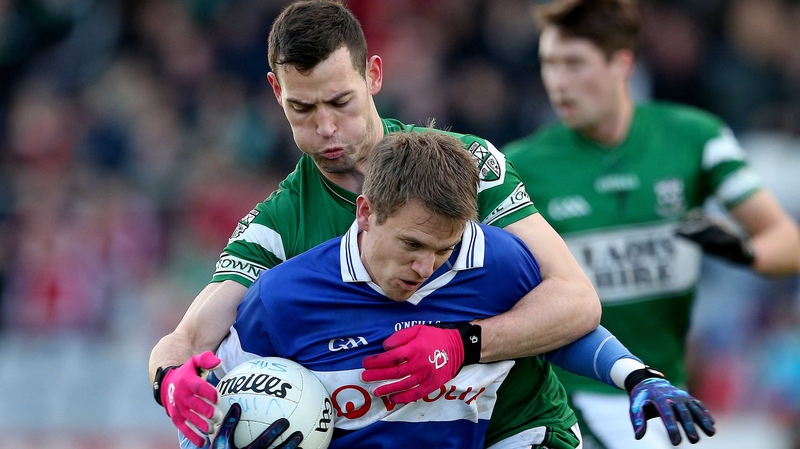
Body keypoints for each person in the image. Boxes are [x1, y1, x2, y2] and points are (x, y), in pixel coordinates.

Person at [148, 1, 602, 447]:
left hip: (518, 430)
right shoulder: (276, 228)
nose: (325, 127)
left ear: (374, 76)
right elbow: (186, 339)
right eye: (302, 108)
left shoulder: (467, 166)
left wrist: (464, 344)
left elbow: (576, 301)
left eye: (340, 101)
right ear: (276, 93)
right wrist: (170, 380)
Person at [200, 131, 713, 449]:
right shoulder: (283, 299)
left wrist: (637, 376)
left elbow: (564, 325)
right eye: (412, 244)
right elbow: (211, 402)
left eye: (444, 249)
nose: (426, 267)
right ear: (366, 212)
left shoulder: (496, 262)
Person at [502, 1, 800, 448]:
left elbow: (787, 243)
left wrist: (743, 251)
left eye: (574, 64)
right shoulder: (519, 165)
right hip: (568, 400)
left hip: (664, 396)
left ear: (622, 63)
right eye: (549, 65)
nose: (557, 82)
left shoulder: (696, 137)